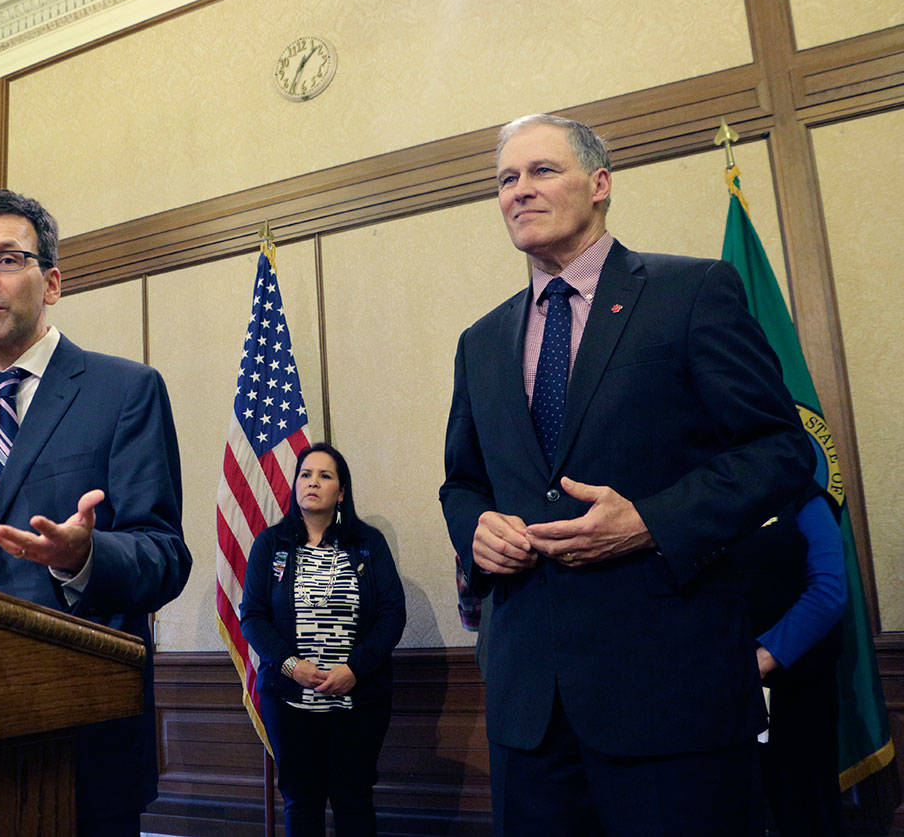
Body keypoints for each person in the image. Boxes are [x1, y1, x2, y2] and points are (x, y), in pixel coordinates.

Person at [438, 114, 814, 835]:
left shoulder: (693, 290)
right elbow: (463, 482)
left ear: (600, 184)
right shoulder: (480, 341)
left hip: (669, 700)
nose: (520, 190)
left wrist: (652, 521)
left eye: (542, 170)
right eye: (506, 179)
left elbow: (781, 452)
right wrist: (476, 528)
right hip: (529, 711)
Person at [0, 188, 192, 836]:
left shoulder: (126, 391)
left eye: (7, 258)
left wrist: (83, 555)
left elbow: (165, 555)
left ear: (51, 281)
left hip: (82, 746)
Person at [239, 443, 405, 836]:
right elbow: (253, 618)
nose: (312, 482)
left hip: (358, 701)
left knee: (354, 801)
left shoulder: (368, 543)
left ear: (342, 491)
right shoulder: (271, 544)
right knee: (301, 803)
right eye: (305, 474)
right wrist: (291, 666)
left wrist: (354, 669)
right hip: (290, 702)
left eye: (325, 476)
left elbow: (391, 615)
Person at [735, 491, 846, 835]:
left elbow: (828, 592)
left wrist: (763, 659)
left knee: (803, 811)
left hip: (794, 691)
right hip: (720, 691)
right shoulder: (705, 500)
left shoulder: (802, 497)